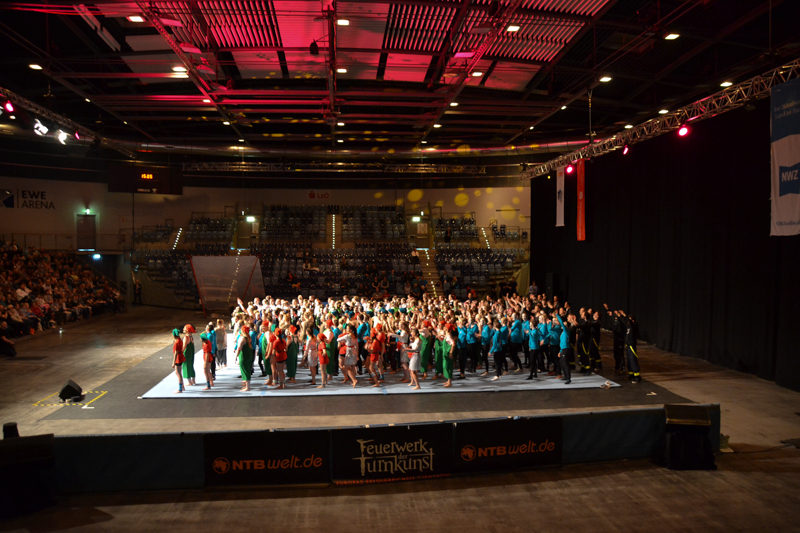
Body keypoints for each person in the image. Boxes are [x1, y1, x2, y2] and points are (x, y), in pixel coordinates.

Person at [621, 312, 641, 383]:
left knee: (633, 361)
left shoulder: (634, 326)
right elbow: (624, 322)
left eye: (629, 320)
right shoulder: (628, 327)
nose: (628, 322)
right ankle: (631, 374)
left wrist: (624, 315)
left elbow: (629, 322)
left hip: (632, 345)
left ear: (632, 320)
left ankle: (637, 376)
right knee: (629, 361)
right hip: (628, 345)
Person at [235, 324, 254, 391]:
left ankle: (247, 387)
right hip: (248, 355)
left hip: (243, 356)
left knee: (245, 370)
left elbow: (239, 348)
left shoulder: (243, 338)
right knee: (246, 369)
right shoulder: (248, 338)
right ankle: (246, 385)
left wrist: (236, 356)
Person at [171, 328, 184, 393]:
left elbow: (176, 352)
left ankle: (180, 388)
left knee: (178, 373)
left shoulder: (177, 342)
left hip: (178, 358)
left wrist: (173, 362)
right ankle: (182, 387)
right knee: (179, 372)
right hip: (180, 357)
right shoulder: (179, 340)